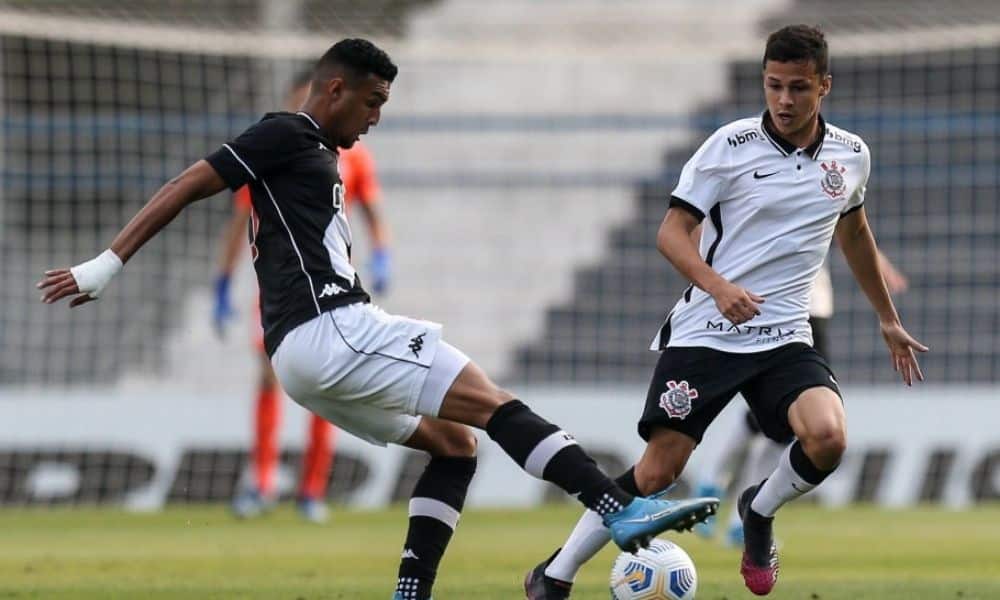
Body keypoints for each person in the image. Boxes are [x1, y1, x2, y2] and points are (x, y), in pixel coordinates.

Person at [37, 38, 719, 600]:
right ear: (334, 90)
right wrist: (106, 266)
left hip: (304, 356)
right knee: (493, 401)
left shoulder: (320, 155)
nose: (377, 118)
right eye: (373, 102)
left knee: (456, 446)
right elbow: (191, 182)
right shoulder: (286, 131)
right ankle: (619, 511)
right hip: (332, 328)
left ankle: (409, 594)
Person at [523, 25, 927, 598]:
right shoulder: (728, 146)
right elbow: (672, 232)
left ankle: (757, 512)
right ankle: (555, 573)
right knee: (658, 472)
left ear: (824, 87)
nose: (784, 101)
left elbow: (855, 232)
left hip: (786, 334)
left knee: (828, 437)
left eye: (798, 88)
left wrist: (887, 317)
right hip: (710, 330)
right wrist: (717, 287)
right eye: (773, 86)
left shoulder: (851, 155)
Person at [213, 71, 393, 523]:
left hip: (330, 289)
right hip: (278, 288)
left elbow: (372, 209)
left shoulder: (352, 154)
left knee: (324, 385)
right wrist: (222, 281)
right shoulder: (273, 150)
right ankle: (263, 483)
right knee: (269, 378)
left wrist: (383, 254)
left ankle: (312, 491)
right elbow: (240, 219)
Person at [692, 254, 909, 546]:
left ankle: (720, 494)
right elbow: (850, 228)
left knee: (772, 418)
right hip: (801, 308)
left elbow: (849, 226)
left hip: (774, 304)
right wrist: (878, 265)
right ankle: (731, 506)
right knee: (790, 416)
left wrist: (880, 263)